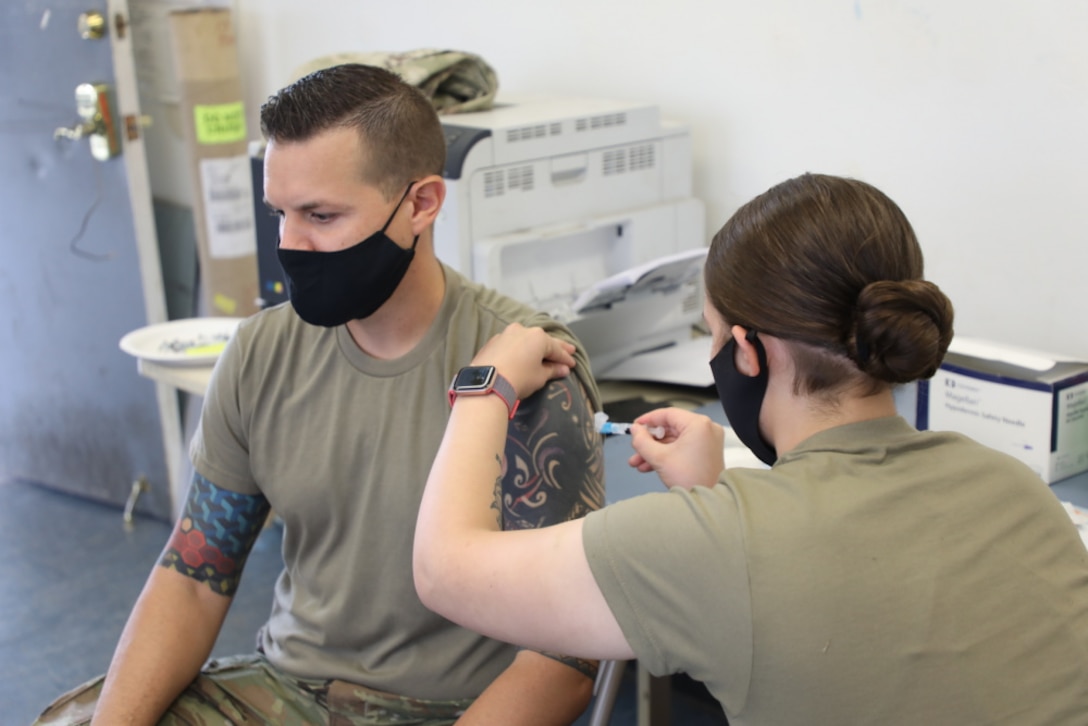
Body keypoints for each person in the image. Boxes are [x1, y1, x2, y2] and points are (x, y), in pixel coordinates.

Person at [36, 63, 603, 725]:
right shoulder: (259, 353)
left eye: (322, 215)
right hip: (287, 690)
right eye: (280, 213)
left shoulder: (526, 366)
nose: (289, 245)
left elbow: (563, 662)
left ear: (421, 204)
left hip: (447, 710)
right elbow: (192, 578)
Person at [414, 173, 1088, 724]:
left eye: (710, 332)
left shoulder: (716, 545)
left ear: (747, 350)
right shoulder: (1016, 488)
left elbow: (444, 573)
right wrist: (709, 504)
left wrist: (487, 385)